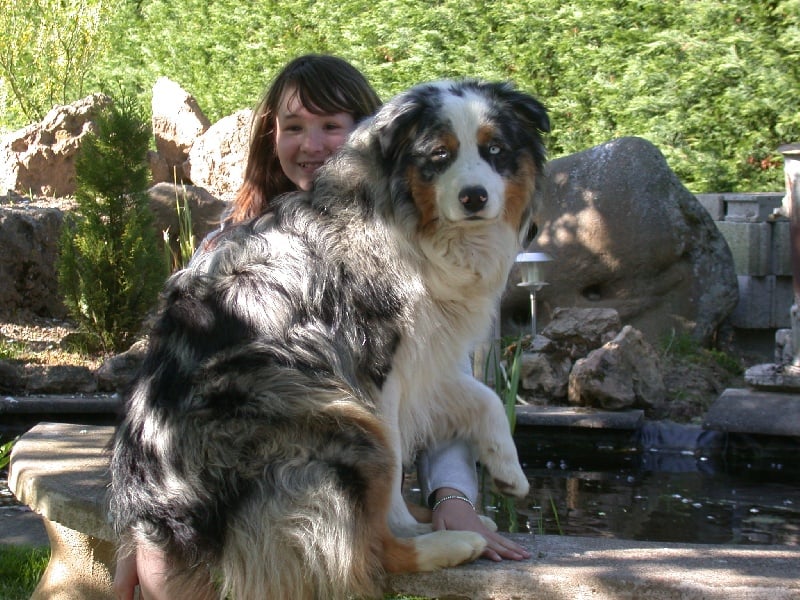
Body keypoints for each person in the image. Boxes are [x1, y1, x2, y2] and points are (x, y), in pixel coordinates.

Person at [114, 54, 528, 600]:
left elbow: (431, 385)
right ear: (271, 137)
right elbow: (171, 391)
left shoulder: (417, 244)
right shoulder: (228, 244)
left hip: (288, 487)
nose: (313, 145)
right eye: (294, 127)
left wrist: (455, 502)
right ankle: (388, 548)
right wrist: (143, 525)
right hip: (265, 484)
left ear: (374, 137)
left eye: (333, 126)